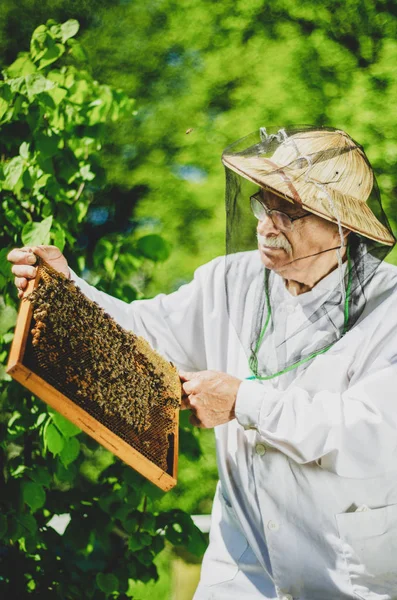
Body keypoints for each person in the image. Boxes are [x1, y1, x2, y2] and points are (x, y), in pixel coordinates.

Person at [8, 127, 397, 600]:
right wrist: (67, 286)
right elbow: (140, 335)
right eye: (263, 204)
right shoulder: (229, 281)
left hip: (348, 576)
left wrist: (244, 401)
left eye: (289, 213)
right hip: (241, 571)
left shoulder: (389, 307)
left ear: (342, 227)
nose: (267, 225)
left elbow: (370, 432)